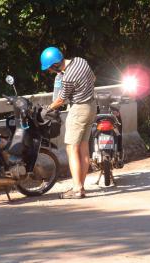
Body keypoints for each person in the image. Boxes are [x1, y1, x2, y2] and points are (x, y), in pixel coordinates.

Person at [40, 46, 97, 199]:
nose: (51, 72)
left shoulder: (67, 77)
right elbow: (93, 78)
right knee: (84, 148)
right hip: (92, 106)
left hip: (78, 111)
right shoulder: (81, 61)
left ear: (55, 65)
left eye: (50, 69)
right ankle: (81, 186)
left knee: (71, 150)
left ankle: (77, 189)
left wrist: (47, 108)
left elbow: (61, 99)